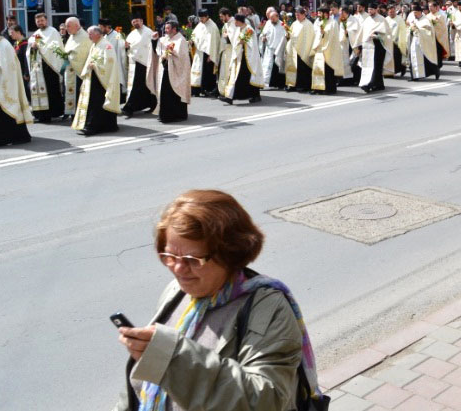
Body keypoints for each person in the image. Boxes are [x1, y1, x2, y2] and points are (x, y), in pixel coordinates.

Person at [112, 190, 326, 411]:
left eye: (192, 260)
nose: (178, 268)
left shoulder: (267, 307)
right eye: (169, 256)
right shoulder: (176, 292)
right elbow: (142, 386)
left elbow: (266, 401)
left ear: (229, 254)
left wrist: (172, 358)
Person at [72, 25, 121, 136]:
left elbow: (110, 62)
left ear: (98, 34)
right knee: (94, 103)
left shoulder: (107, 45)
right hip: (94, 79)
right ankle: (101, 125)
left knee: (97, 103)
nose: (88, 36)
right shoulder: (95, 45)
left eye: (90, 34)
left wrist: (96, 66)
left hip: (102, 81)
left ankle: (93, 127)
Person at [149, 21, 191, 123]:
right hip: (165, 69)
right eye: (165, 28)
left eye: (168, 29)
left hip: (176, 70)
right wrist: (154, 40)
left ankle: (175, 115)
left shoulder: (180, 40)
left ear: (174, 29)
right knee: (165, 94)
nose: (166, 31)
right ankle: (165, 115)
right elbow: (158, 50)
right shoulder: (164, 39)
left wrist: (172, 53)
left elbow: (183, 57)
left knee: (173, 94)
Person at [27, 13, 66, 122]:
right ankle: (41, 114)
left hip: (51, 66)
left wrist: (38, 45)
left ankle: (52, 113)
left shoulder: (52, 31)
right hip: (39, 67)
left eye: (42, 21)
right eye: (38, 21)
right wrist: (32, 47)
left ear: (46, 21)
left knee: (51, 90)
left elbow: (54, 47)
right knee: (41, 91)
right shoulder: (36, 34)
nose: (40, 23)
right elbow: (31, 49)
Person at [221, 14, 263, 105]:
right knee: (237, 77)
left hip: (248, 58)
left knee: (248, 77)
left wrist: (231, 38)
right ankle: (230, 97)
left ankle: (255, 96)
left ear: (239, 21)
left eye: (235, 21)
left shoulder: (249, 29)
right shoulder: (239, 29)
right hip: (240, 57)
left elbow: (242, 41)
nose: (234, 22)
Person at [122, 17, 157, 117]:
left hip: (144, 63)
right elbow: (129, 46)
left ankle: (129, 108)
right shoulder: (132, 33)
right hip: (134, 63)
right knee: (141, 86)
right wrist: (126, 47)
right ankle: (152, 104)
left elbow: (152, 46)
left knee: (138, 86)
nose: (135, 23)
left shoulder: (148, 32)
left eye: (137, 21)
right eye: (133, 21)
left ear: (142, 21)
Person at [62, 17, 93, 120]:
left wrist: (69, 55)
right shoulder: (72, 36)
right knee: (70, 92)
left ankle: (79, 114)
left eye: (68, 26)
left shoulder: (84, 37)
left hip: (79, 71)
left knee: (78, 93)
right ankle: (72, 112)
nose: (66, 28)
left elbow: (82, 54)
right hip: (70, 70)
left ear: (76, 25)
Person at [310, 7, 343, 95]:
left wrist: (324, 33)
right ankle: (318, 88)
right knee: (317, 68)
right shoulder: (320, 22)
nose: (319, 15)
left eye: (321, 13)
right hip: (319, 48)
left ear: (326, 14)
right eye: (319, 13)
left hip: (329, 49)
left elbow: (333, 36)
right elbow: (316, 34)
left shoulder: (333, 23)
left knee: (328, 70)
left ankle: (329, 89)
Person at [190, 9, 221, 98]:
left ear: (207, 16)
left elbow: (214, 42)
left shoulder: (213, 26)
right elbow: (194, 35)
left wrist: (211, 55)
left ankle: (207, 90)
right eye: (200, 18)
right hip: (199, 52)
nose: (201, 20)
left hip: (208, 54)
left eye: (202, 18)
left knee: (207, 73)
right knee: (197, 70)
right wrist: (192, 41)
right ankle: (196, 90)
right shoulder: (200, 25)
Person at [284, 7, 314, 93]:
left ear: (304, 15)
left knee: (302, 69)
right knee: (292, 67)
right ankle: (292, 84)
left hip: (303, 49)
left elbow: (309, 37)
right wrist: (287, 32)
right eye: (296, 15)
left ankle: (303, 85)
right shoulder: (294, 23)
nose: (297, 16)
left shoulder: (308, 24)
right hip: (293, 49)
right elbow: (291, 34)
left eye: (299, 15)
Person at [407, 2, 440, 81]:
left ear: (419, 12)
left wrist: (418, 29)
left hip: (424, 41)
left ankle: (436, 71)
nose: (414, 14)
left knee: (426, 58)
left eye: (415, 12)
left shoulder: (425, 20)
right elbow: (410, 28)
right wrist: (410, 30)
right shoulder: (414, 20)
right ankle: (414, 76)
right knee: (413, 57)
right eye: (413, 12)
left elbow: (428, 31)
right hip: (415, 40)